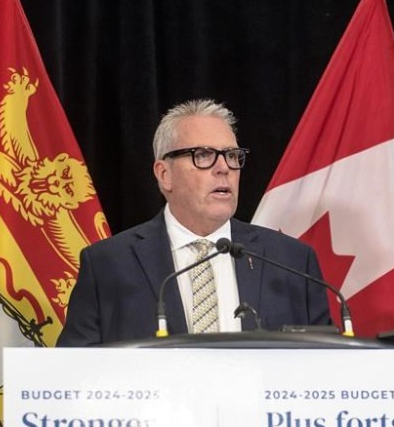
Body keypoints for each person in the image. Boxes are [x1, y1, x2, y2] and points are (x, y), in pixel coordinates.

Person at [57, 98, 331, 346]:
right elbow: (76, 374)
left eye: (232, 156)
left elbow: (326, 369)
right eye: (203, 155)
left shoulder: (292, 262)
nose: (224, 168)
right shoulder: (108, 265)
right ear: (164, 174)